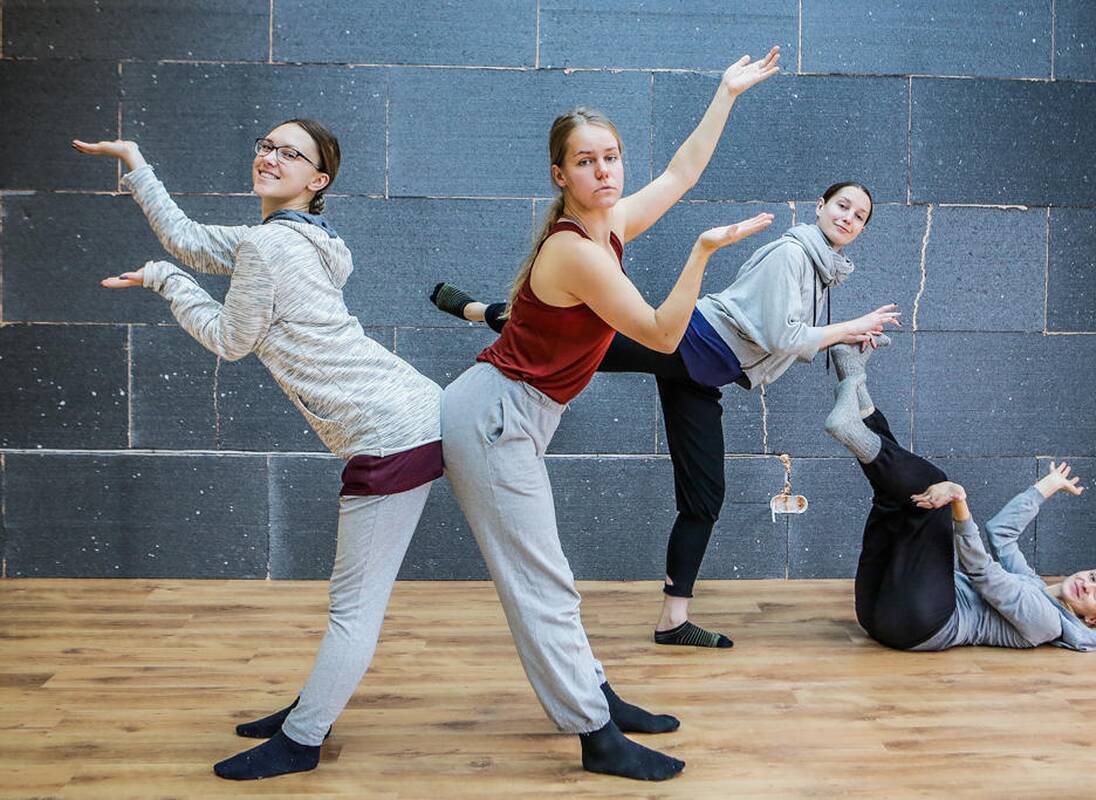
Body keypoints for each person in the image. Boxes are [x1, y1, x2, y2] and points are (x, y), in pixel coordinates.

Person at [440, 48, 781, 781]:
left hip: (515, 416)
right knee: (544, 585)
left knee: (550, 581)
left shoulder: (610, 226)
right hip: (495, 418)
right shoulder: (575, 253)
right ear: (560, 176)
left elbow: (681, 173)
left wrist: (724, 93)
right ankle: (595, 735)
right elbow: (660, 333)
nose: (604, 171)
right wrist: (700, 252)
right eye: (586, 161)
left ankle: (596, 696)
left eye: (612, 157)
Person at [73, 120, 444, 780]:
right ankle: (312, 707)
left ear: (317, 179)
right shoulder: (293, 238)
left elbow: (229, 339)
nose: (269, 157)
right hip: (406, 413)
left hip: (387, 435)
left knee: (353, 608)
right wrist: (136, 163)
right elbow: (190, 239)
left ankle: (303, 740)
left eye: (289, 153)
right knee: (354, 603)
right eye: (266, 146)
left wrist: (167, 281)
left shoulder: (270, 247)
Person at [431, 181, 900, 648]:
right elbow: (785, 337)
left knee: (705, 496)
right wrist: (850, 327)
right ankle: (480, 310)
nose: (848, 218)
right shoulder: (792, 254)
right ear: (820, 207)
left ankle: (673, 621)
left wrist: (848, 337)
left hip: (704, 374)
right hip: (686, 342)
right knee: (573, 336)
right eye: (842, 206)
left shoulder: (821, 270)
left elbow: (790, 337)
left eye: (859, 216)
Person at [821, 340, 1096, 652]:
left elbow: (981, 571)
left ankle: (853, 416)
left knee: (934, 486)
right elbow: (1001, 533)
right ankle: (853, 378)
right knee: (898, 493)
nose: (1088, 585)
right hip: (877, 611)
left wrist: (958, 499)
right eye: (1094, 577)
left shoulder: (1048, 622)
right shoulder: (1033, 584)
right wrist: (1047, 486)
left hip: (921, 623)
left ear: (1091, 619)